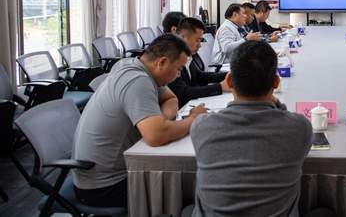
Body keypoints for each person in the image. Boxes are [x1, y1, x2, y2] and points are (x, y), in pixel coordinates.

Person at [72, 34, 207, 208]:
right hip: (104, 186)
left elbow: (171, 98)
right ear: (162, 62)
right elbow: (156, 136)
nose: (178, 75)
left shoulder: (133, 66)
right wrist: (193, 119)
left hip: (107, 173)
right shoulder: (138, 80)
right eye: (178, 69)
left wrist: (161, 120)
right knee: (193, 186)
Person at [190, 41, 313, 216]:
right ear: (276, 82)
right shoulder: (300, 128)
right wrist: (278, 104)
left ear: (229, 81)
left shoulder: (202, 126)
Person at [168, 17, 231, 108]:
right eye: (197, 40)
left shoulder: (187, 56)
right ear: (182, 37)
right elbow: (183, 93)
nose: (200, 45)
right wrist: (220, 87)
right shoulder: (171, 58)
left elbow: (199, 76)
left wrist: (229, 75)